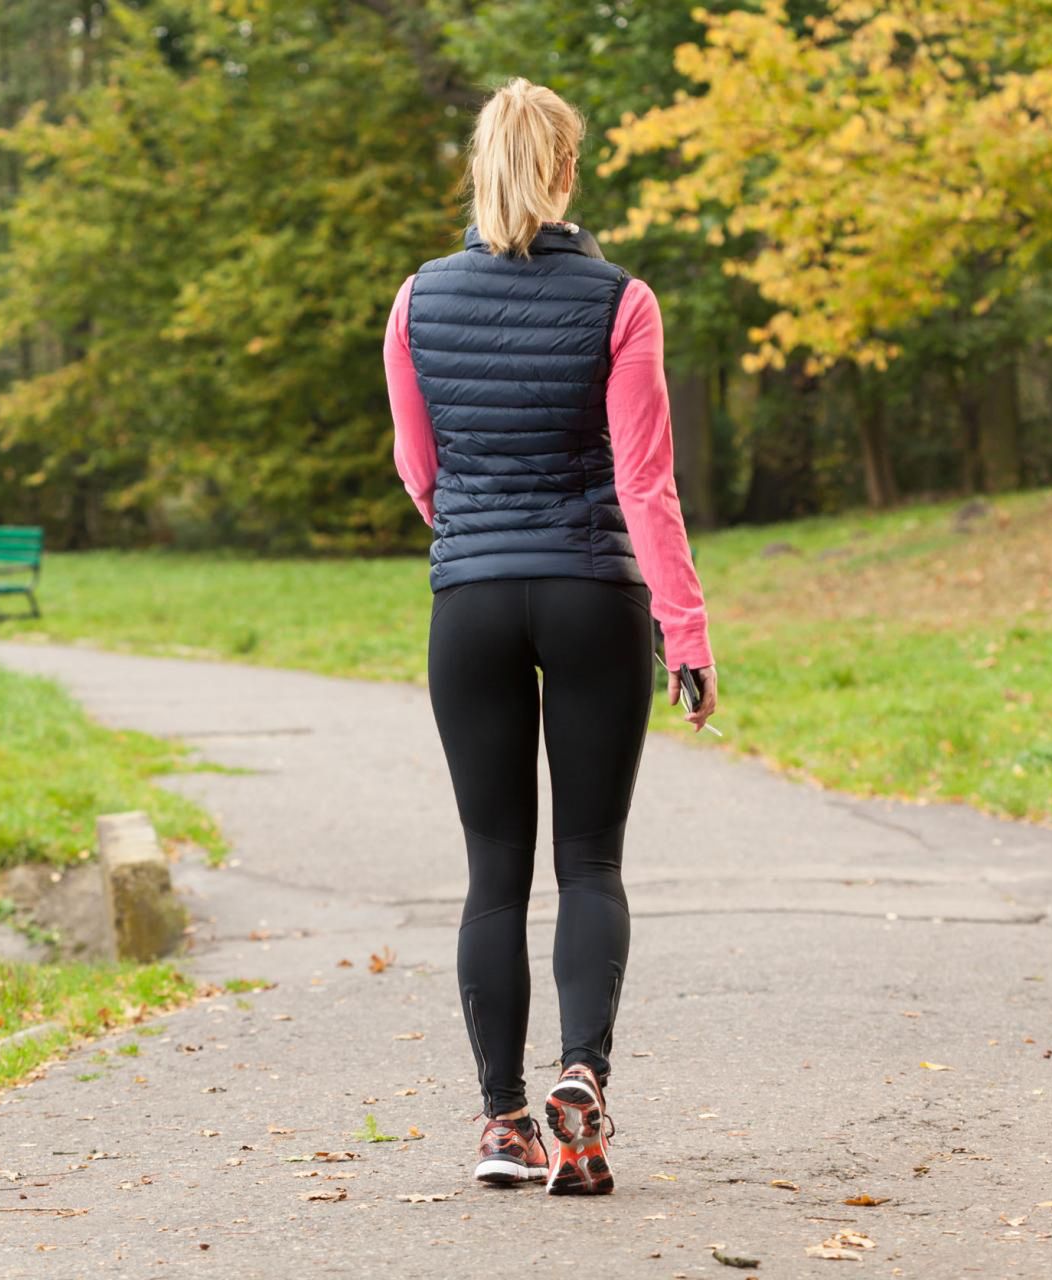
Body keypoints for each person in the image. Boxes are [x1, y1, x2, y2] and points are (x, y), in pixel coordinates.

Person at [382, 77, 720, 1196]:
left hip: (469, 602)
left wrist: (479, 538)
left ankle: (501, 1121)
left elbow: (419, 470)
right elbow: (645, 482)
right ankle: (582, 1082)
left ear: (478, 170)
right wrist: (687, 629)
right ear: (568, 172)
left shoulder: (417, 301)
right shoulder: (621, 300)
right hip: (591, 591)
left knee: (493, 874)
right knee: (588, 861)